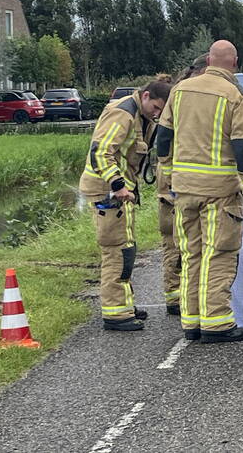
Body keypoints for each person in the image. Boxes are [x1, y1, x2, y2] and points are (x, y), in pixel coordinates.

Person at [155, 40, 243, 344]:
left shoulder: (180, 90)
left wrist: (170, 174)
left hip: (184, 189)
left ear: (209, 60)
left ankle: (191, 321)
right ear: (235, 62)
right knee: (219, 254)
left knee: (192, 253)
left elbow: (163, 138)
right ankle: (216, 321)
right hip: (220, 192)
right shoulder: (237, 96)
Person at [79, 80, 171, 331]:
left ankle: (124, 303)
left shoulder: (141, 115)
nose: (157, 114)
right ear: (146, 96)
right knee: (117, 250)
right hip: (108, 191)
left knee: (126, 247)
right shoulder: (123, 113)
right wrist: (118, 184)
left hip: (120, 192)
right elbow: (100, 152)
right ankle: (116, 312)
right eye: (156, 107)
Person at [156, 53, 210, 316]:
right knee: (177, 244)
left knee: (184, 243)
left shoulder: (182, 93)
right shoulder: (185, 95)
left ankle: (182, 296)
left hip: (178, 178)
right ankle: (176, 296)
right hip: (175, 181)